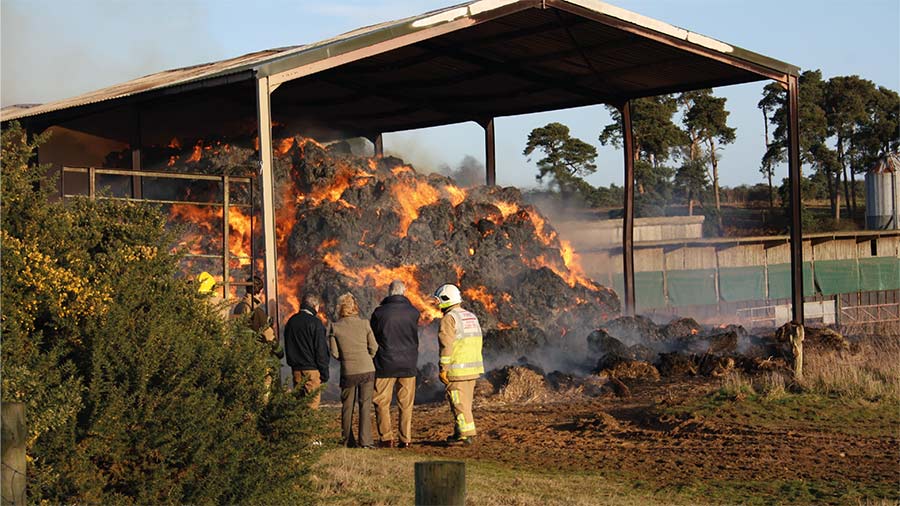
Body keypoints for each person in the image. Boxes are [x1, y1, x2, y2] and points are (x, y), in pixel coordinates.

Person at [370, 280, 420, 448]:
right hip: (409, 364)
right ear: (404, 292)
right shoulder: (413, 312)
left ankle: (386, 438)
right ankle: (405, 439)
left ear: (389, 292)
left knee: (381, 401)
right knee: (406, 404)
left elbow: (373, 336)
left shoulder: (379, 313)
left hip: (385, 363)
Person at [433, 283, 484, 446]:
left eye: (439, 300)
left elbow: (446, 345)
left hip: (457, 370)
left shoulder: (449, 319)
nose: (438, 304)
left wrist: (443, 368)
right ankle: (459, 432)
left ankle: (466, 435)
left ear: (446, 299)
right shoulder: (470, 316)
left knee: (459, 404)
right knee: (465, 403)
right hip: (472, 369)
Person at [329, 293, 378, 448]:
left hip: (348, 372)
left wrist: (346, 359)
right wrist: (366, 358)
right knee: (365, 405)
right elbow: (374, 347)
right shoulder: (365, 324)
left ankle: (347, 441)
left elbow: (335, 353)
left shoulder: (334, 327)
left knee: (347, 406)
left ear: (340, 309)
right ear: (355, 307)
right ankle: (366, 441)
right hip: (367, 369)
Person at [233, 276, 282, 401]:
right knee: (264, 393)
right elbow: (269, 336)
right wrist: (279, 351)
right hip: (258, 357)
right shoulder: (257, 311)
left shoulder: (239, 307)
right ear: (260, 291)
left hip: (241, 355)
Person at [284, 293, 329, 409]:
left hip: (296, 370)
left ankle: (299, 427)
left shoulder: (291, 321)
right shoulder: (315, 323)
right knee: (311, 407)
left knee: (299, 406)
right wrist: (324, 373)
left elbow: (287, 345)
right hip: (312, 371)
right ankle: (309, 428)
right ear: (314, 306)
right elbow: (321, 350)